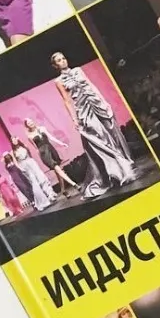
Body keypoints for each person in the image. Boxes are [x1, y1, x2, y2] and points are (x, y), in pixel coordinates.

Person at [51, 52, 135, 198]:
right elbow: (67, 100)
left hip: (96, 103)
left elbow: (91, 85)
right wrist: (74, 119)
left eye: (63, 58)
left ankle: (120, 168)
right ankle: (117, 172)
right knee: (100, 139)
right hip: (84, 110)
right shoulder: (58, 81)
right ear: (55, 65)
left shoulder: (78, 70)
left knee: (110, 134)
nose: (63, 61)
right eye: (59, 60)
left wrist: (104, 101)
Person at [23, 118, 78, 195]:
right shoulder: (30, 136)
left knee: (58, 171)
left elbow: (51, 137)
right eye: (28, 123)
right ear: (27, 126)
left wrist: (61, 143)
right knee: (57, 168)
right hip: (44, 153)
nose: (31, 123)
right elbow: (36, 148)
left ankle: (63, 191)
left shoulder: (42, 128)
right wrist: (42, 157)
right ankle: (74, 184)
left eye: (31, 121)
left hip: (51, 149)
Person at [12, 139, 57, 210]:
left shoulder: (24, 146)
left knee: (41, 178)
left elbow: (29, 154)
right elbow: (15, 162)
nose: (14, 141)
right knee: (34, 183)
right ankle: (42, 201)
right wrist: (21, 169)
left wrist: (31, 161)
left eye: (15, 139)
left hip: (31, 162)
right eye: (12, 140)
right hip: (24, 166)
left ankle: (50, 195)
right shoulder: (13, 152)